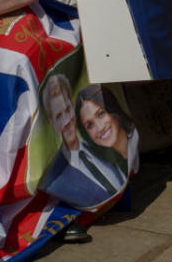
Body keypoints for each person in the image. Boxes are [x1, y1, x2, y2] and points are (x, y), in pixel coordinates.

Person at [38, 76, 125, 213]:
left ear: (73, 107)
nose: (67, 121)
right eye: (59, 116)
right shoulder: (53, 178)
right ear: (52, 123)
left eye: (67, 110)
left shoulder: (102, 145)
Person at [75, 84, 138, 168]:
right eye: (90, 125)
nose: (100, 127)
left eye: (101, 114)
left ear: (112, 108)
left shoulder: (139, 138)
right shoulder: (111, 169)